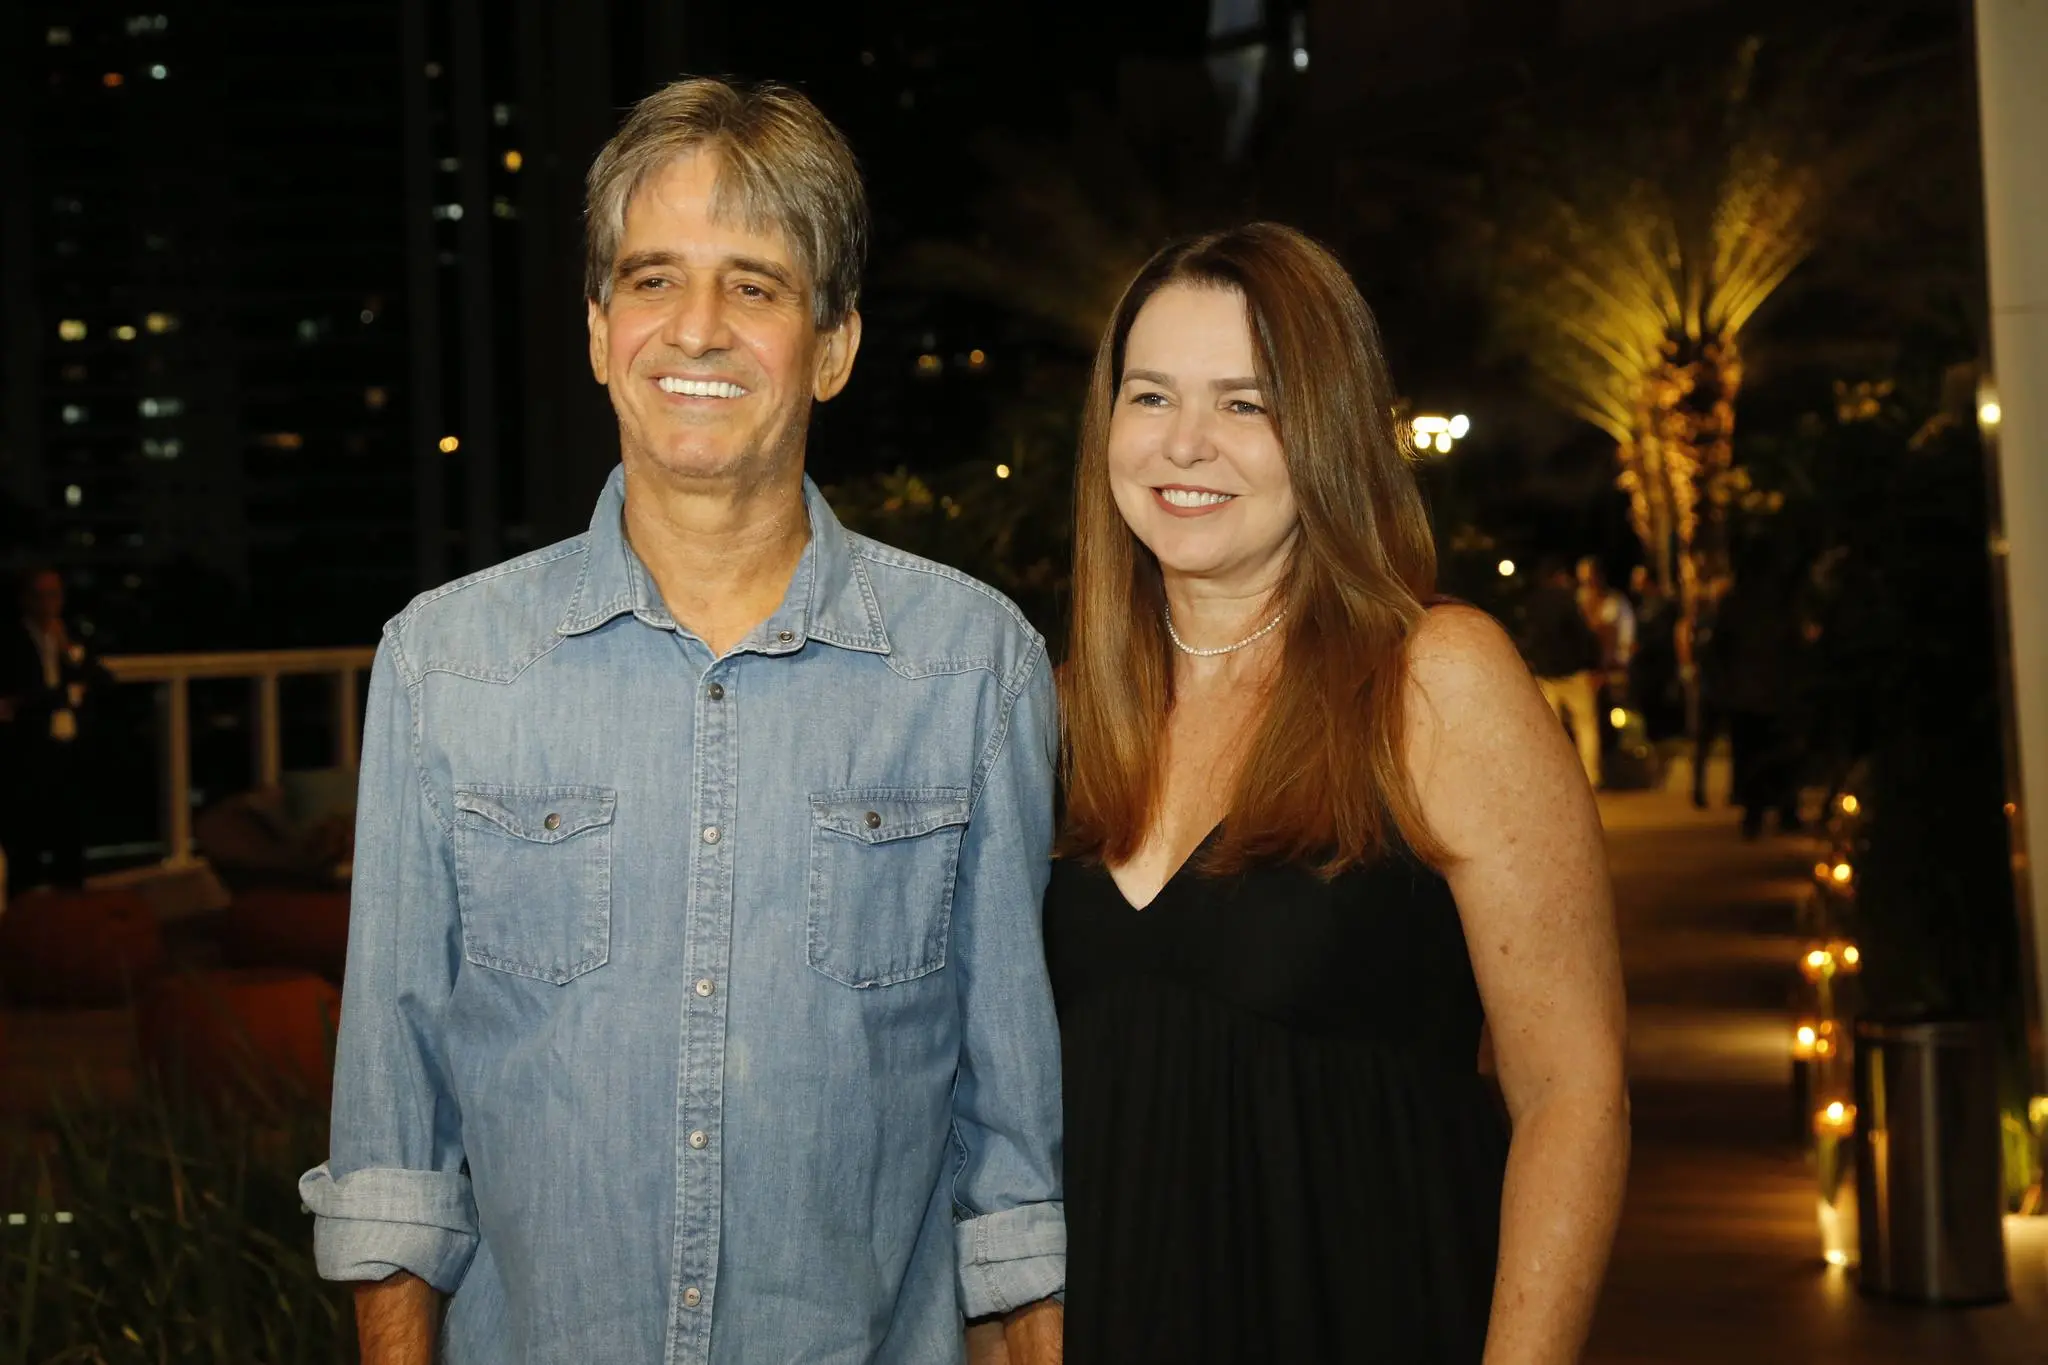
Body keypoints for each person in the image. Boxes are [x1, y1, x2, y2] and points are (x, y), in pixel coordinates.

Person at [300, 79, 1065, 1365]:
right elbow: (393, 1138)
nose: (696, 329)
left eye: (753, 286)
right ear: (600, 331)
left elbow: (1013, 1164)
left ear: (833, 346)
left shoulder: (971, 667)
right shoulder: (445, 664)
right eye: (653, 280)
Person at [1044, 224, 1629, 1363]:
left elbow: (1573, 1093)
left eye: (1245, 404)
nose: (1185, 443)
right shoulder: (1060, 712)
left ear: (1328, 428)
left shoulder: (1433, 680)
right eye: (1150, 396)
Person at [0, 566, 100, 892]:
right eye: (39, 596)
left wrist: (67, 650)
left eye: (53, 595)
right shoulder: (11, 639)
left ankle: (70, 903)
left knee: (70, 836)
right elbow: (19, 695)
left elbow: (98, 676)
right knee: (25, 841)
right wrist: (64, 695)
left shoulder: (67, 636)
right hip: (27, 750)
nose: (47, 604)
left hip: (68, 750)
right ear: (25, 599)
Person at [1520, 558, 1605, 788]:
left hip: (1546, 675)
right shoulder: (1568, 600)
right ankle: (1590, 777)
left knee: (1550, 730)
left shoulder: (1533, 602)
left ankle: (1552, 777)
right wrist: (1594, 664)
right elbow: (1583, 635)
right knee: (1585, 725)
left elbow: (1529, 638)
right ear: (1559, 576)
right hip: (1573, 672)